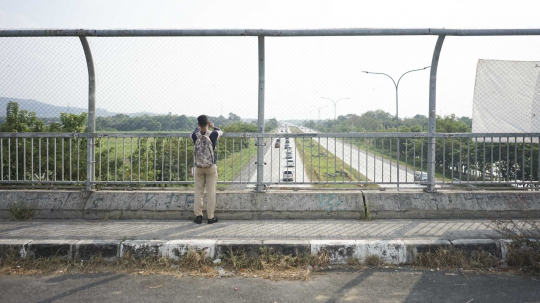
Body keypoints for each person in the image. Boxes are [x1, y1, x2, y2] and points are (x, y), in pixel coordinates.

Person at [191, 115, 223, 224]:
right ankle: (210, 217)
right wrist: (213, 127)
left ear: (199, 124)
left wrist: (197, 128)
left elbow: (193, 132)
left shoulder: (195, 135)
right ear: (207, 123)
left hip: (198, 167)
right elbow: (220, 131)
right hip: (210, 166)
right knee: (211, 192)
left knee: (198, 192)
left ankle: (198, 216)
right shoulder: (213, 134)